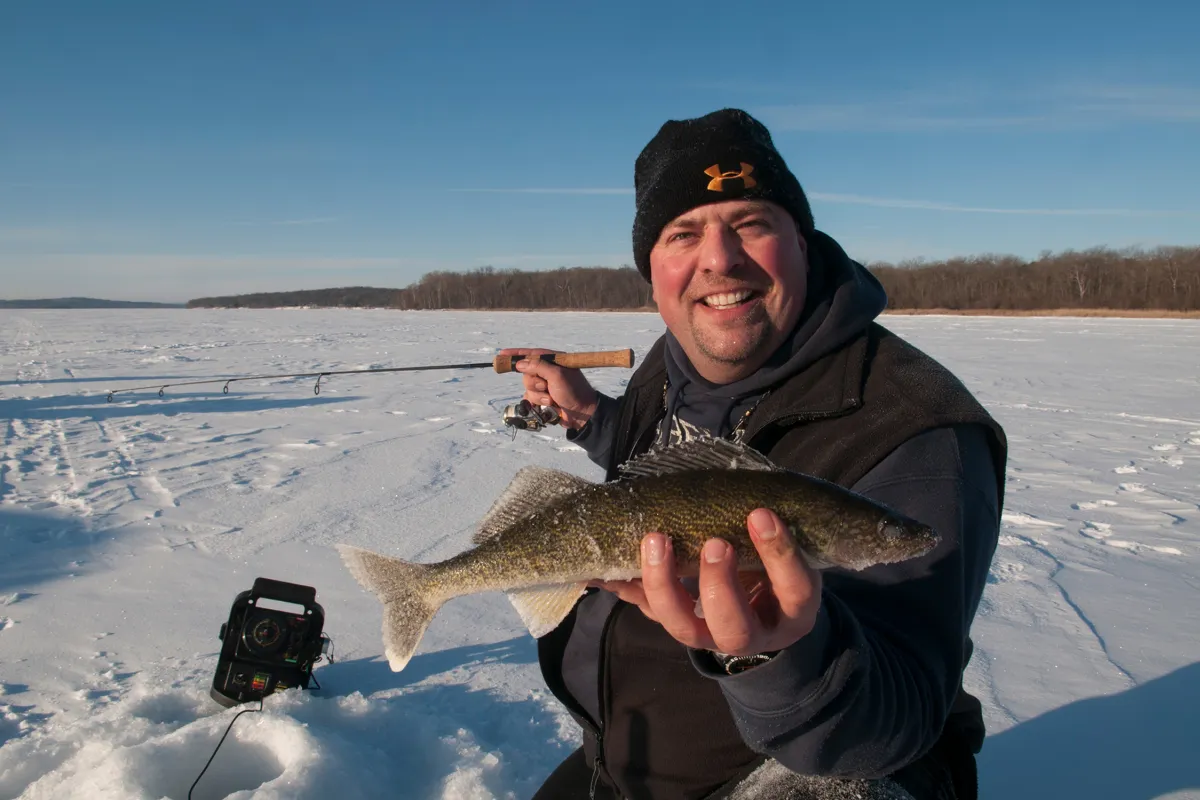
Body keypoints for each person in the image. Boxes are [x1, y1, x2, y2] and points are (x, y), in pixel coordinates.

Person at [502, 108, 1006, 800]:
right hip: (623, 756)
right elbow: (654, 470)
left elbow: (897, 720)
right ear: (652, 272)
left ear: (801, 241)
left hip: (787, 774)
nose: (718, 259)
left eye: (750, 224)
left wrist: (775, 655)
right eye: (683, 234)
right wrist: (592, 417)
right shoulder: (675, 359)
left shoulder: (916, 428)